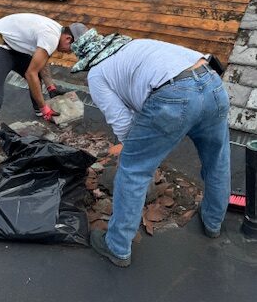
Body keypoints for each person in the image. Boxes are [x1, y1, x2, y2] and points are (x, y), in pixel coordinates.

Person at [70, 29, 230, 267]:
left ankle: (117, 245)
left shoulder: (97, 74)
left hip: (174, 95)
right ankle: (213, 223)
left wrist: (136, 150)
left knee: (133, 170)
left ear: (87, 59)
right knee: (217, 160)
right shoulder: (135, 48)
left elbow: (123, 122)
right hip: (212, 82)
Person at [0, 14, 87, 189]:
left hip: (12, 46)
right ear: (68, 38)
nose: (69, 53)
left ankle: (40, 109)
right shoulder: (51, 36)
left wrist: (52, 88)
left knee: (35, 71)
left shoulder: (56, 31)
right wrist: (44, 106)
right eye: (71, 48)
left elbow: (42, 63)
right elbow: (31, 73)